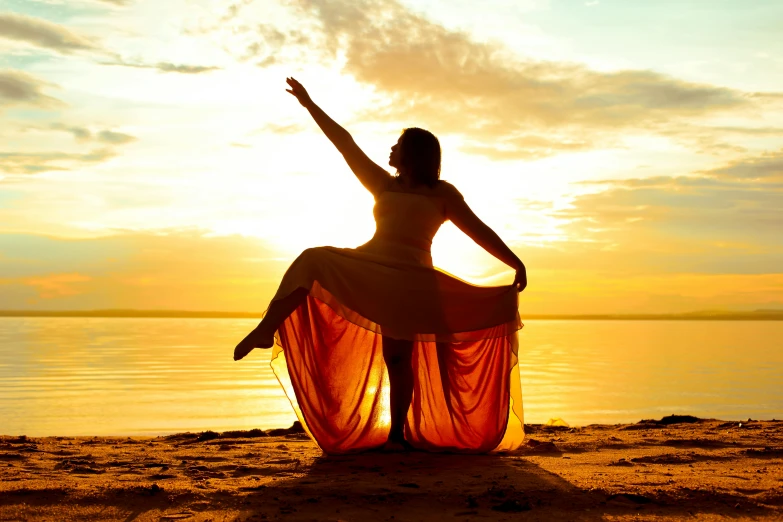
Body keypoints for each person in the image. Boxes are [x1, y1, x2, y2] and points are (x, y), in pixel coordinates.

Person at [234, 77, 527, 455]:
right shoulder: (383, 185)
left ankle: (397, 437)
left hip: (412, 279)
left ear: (413, 154)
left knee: (398, 357)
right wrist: (309, 105)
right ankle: (265, 328)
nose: (390, 149)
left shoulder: (443, 194)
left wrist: (513, 261)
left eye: (397, 145)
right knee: (312, 259)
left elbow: (478, 230)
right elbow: (345, 143)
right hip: (373, 266)